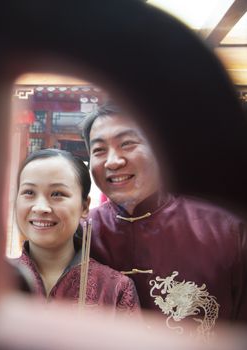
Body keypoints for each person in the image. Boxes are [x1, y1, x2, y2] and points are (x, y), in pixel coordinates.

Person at [82, 102, 247, 339]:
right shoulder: (82, 234)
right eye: (99, 150)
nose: (112, 161)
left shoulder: (227, 231)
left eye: (127, 144)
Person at [12, 148, 140, 316]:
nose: (40, 207)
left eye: (57, 194)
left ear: (85, 206)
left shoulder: (116, 289)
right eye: (29, 192)